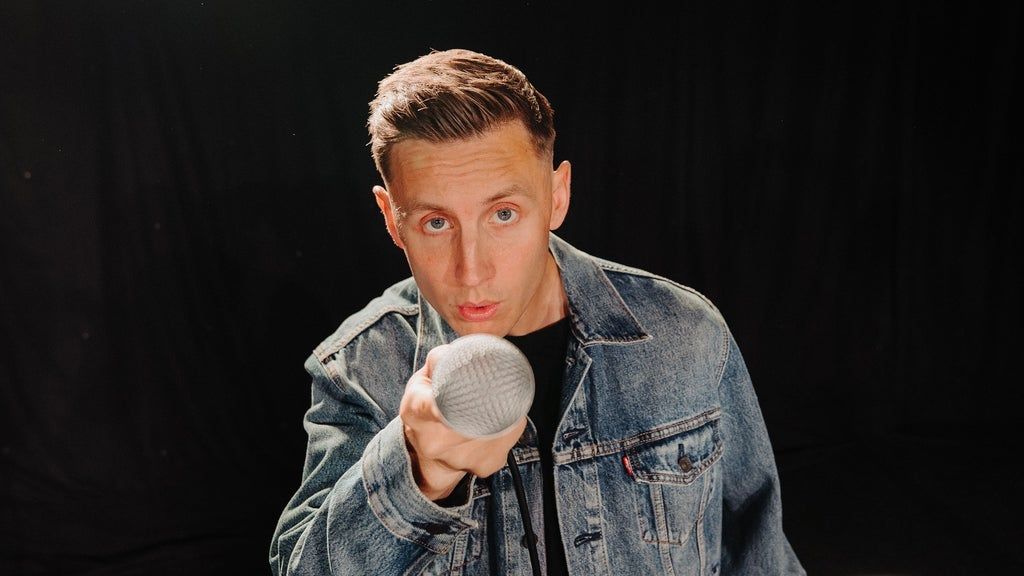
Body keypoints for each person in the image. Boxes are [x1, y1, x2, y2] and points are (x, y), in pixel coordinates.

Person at [270, 48, 804, 575]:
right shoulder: (358, 370)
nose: (471, 270)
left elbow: (760, 556)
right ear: (391, 219)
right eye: (436, 223)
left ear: (557, 196)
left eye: (503, 214)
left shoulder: (684, 333)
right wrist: (414, 470)